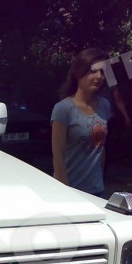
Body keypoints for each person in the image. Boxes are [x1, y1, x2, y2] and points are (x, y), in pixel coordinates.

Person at [51, 48, 112, 197]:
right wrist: (65, 193)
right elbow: (57, 155)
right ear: (78, 72)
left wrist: (100, 183)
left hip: (97, 191)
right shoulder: (63, 109)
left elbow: (100, 149)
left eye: (102, 72)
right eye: (93, 71)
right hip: (69, 191)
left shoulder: (104, 105)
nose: (99, 76)